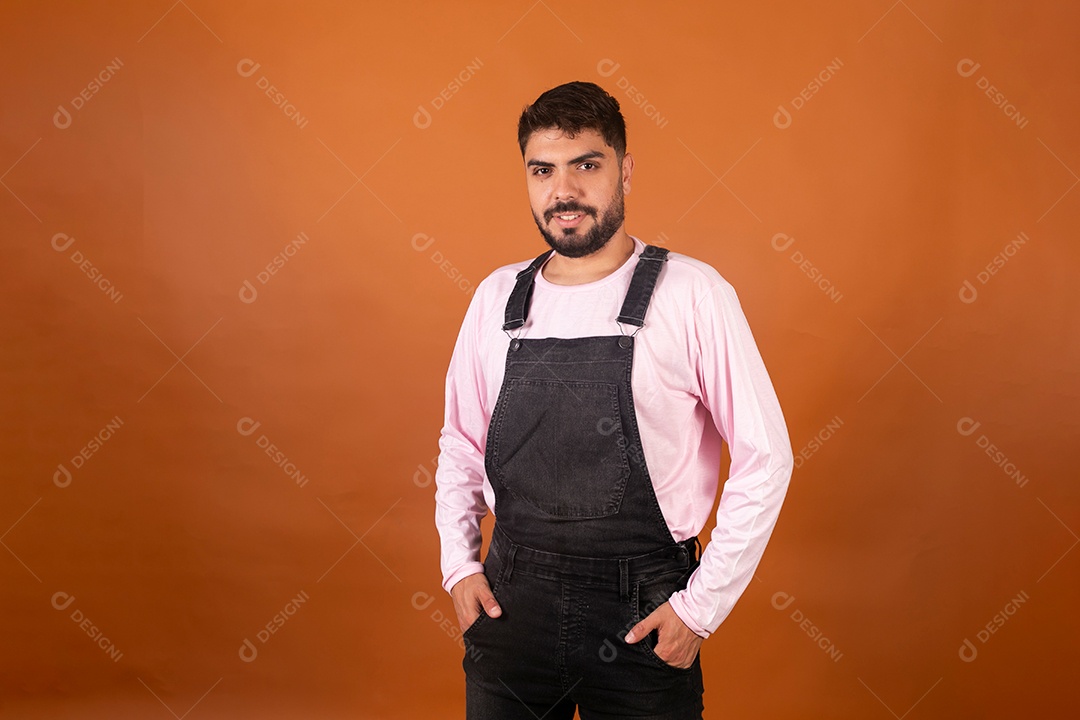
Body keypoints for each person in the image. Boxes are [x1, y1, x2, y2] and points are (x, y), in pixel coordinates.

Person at [434, 80, 793, 719]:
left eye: (586, 165)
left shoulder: (692, 294)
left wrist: (699, 609)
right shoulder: (495, 300)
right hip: (512, 607)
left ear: (625, 170)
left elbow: (767, 459)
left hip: (644, 614)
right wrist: (458, 567)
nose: (563, 191)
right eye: (542, 170)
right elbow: (460, 443)